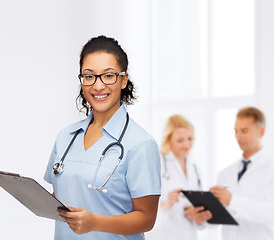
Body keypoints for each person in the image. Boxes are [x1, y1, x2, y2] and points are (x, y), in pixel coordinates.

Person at [44, 35, 161, 240]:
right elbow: (62, 195)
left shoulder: (141, 144)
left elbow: (147, 218)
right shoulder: (65, 137)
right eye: (89, 76)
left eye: (108, 76)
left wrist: (95, 222)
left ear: (123, 80)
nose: (98, 86)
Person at [210, 106, 274, 240]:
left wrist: (232, 200)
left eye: (244, 131)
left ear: (261, 132)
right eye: (236, 131)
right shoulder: (225, 173)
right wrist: (204, 215)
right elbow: (219, 218)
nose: (238, 136)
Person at [146, 115, 212, 240]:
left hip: (188, 235)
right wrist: (167, 203)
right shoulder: (156, 163)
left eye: (190, 138)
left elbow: (199, 211)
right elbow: (143, 209)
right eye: (180, 140)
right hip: (163, 235)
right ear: (169, 139)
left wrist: (196, 215)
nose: (186, 144)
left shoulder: (195, 168)